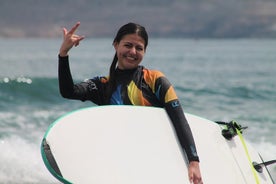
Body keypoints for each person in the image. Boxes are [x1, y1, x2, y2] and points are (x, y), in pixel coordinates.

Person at [58, 22, 203, 184]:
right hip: (120, 164)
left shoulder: (155, 80)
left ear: (145, 51)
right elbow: (68, 91)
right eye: (127, 45)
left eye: (139, 48)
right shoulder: (102, 85)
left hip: (155, 159)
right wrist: (63, 54)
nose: (133, 52)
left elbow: (179, 119)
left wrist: (193, 161)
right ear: (115, 45)